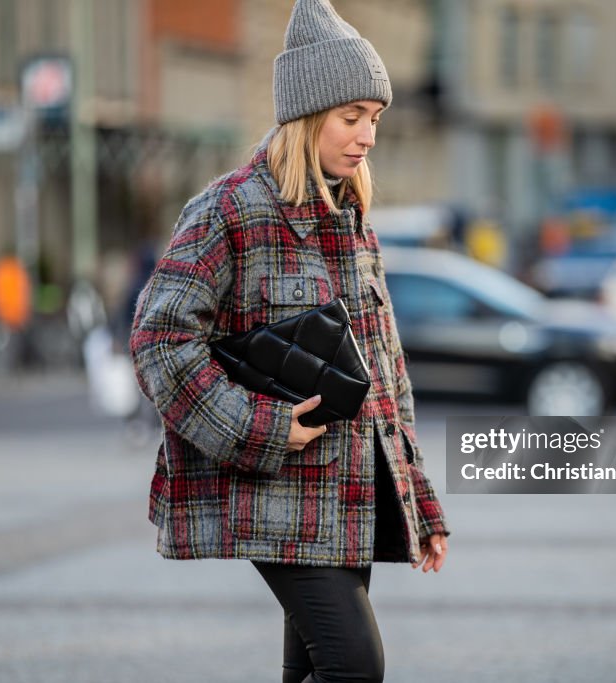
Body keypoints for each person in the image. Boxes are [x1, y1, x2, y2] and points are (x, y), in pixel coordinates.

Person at [129, 2, 449, 680]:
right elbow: (159, 339)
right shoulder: (229, 209)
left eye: (375, 118)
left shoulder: (351, 214)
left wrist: (420, 501)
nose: (367, 135)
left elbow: (386, 370)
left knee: (312, 670)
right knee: (355, 665)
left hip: (349, 495)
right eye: (351, 116)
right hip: (276, 491)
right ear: (307, 116)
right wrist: (263, 425)